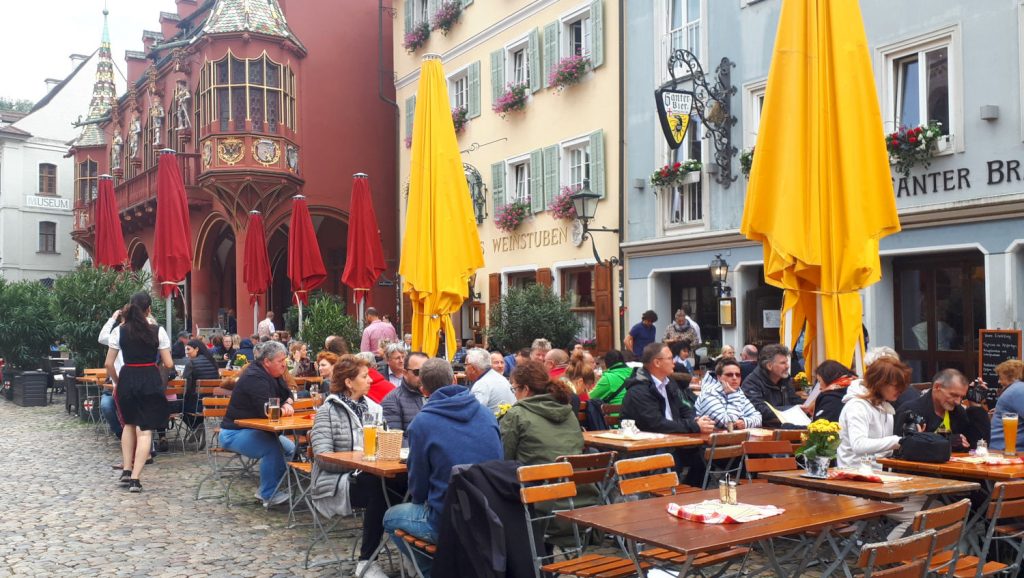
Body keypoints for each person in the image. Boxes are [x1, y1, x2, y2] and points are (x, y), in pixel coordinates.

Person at [383, 358, 503, 576]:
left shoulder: (422, 423)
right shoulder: (487, 415)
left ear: (423, 390)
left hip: (447, 521)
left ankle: (432, 572)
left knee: (390, 517)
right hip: (490, 515)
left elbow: (418, 492)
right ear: (455, 378)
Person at [309, 355, 391, 578]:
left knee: (404, 484)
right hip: (334, 482)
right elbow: (323, 457)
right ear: (348, 382)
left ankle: (415, 554)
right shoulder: (329, 410)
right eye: (365, 377)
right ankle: (366, 563)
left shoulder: (374, 408)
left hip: (368, 475)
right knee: (379, 488)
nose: (371, 381)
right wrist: (359, 462)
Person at [837, 356, 919, 539]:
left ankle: (904, 557)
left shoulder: (885, 409)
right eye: (897, 385)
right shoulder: (856, 406)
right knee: (924, 513)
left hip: (878, 482)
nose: (901, 390)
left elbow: (885, 451)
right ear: (880, 383)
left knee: (937, 507)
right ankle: (885, 557)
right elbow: (859, 445)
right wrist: (898, 441)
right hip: (855, 483)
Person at [103, 292, 174, 493]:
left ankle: (126, 469)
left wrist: (118, 380)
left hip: (127, 378)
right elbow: (168, 363)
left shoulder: (120, 331)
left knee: (128, 424)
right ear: (149, 309)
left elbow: (109, 363)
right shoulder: (157, 331)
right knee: (145, 431)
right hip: (149, 378)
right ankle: (135, 478)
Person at [621, 342, 714, 487]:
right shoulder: (639, 389)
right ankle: (667, 495)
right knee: (673, 457)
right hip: (648, 446)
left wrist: (694, 419)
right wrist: (693, 425)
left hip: (674, 439)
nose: (674, 363)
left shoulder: (669, 382)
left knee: (704, 458)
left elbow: (684, 407)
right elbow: (656, 424)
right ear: (657, 362)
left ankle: (689, 496)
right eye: (670, 358)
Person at [218, 340, 296, 507]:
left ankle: (266, 489)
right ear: (267, 362)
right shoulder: (254, 376)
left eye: (285, 361)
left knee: (290, 449)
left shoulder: (274, 375)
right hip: (234, 432)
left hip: (257, 430)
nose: (284, 366)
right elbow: (266, 410)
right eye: (280, 361)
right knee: (272, 448)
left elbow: (288, 392)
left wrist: (288, 402)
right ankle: (269, 494)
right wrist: (283, 409)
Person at [501, 360, 583, 464]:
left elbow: (505, 456)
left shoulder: (517, 413)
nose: (514, 394)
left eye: (515, 389)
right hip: (574, 476)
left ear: (526, 389)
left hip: (535, 478)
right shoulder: (567, 409)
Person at [894, 369, 986, 452]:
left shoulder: (957, 411)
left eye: (962, 397)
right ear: (937, 387)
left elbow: (977, 447)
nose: (958, 402)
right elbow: (904, 448)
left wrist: (976, 406)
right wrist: (947, 442)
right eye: (954, 395)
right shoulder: (911, 410)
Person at [740, 343, 803, 428]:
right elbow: (759, 410)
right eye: (783, 363)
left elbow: (794, 399)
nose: (787, 366)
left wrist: (804, 406)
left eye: (787, 362)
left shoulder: (784, 379)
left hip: (787, 428)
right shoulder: (751, 383)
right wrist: (793, 409)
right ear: (769, 366)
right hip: (765, 432)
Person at [695, 358, 761, 430]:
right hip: (712, 439)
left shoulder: (738, 391)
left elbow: (758, 417)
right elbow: (727, 424)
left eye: (738, 375)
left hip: (734, 438)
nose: (734, 378)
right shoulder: (709, 394)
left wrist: (744, 422)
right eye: (729, 375)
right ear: (719, 377)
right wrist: (733, 395)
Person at [381, 351, 428, 434]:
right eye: (418, 372)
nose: (423, 376)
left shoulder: (438, 394)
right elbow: (395, 440)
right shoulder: (392, 400)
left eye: (427, 371)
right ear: (405, 373)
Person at [181, 338, 220, 432]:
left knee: (180, 407)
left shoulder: (191, 363)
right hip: (211, 403)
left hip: (196, 404)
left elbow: (186, 386)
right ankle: (199, 428)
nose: (187, 352)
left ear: (197, 349)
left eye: (188, 349)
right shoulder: (212, 361)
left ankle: (196, 428)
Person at [463, 347, 515, 413]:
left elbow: (472, 414)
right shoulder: (499, 378)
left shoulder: (482, 385)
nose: (464, 369)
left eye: (465, 365)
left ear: (473, 369)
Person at [990, 360, 1024, 451]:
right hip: (1007, 451)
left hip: (1001, 449)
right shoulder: (1019, 389)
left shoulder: (1017, 389)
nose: (999, 381)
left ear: (1011, 376)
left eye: (1001, 377)